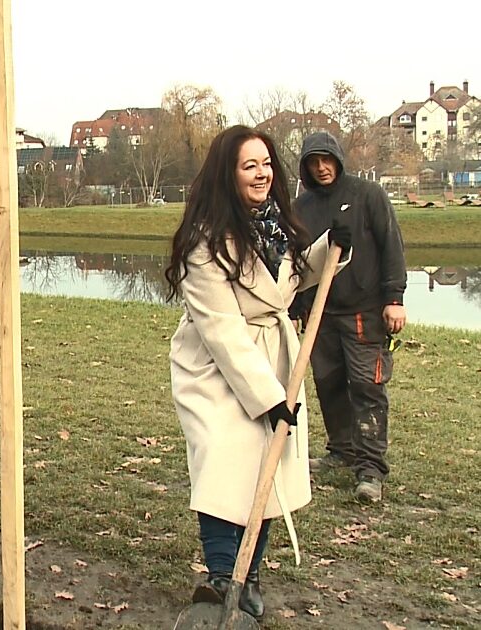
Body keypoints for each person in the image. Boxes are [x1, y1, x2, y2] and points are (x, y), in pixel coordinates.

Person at [165, 125, 351, 619]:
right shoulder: (204, 243)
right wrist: (268, 400)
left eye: (266, 163)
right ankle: (224, 575)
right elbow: (222, 329)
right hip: (216, 368)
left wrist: (333, 246)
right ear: (228, 174)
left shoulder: (275, 227)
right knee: (224, 462)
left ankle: (248, 575)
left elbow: (289, 282)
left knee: (271, 470)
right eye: (250, 165)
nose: (262, 173)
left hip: (274, 357)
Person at [292, 131, 406, 503]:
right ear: (306, 167)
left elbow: (391, 245)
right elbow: (297, 259)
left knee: (366, 388)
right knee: (329, 384)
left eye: (327, 160)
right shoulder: (302, 207)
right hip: (320, 313)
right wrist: (296, 303)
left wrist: (394, 298)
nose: (322, 168)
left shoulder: (367, 196)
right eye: (314, 162)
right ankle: (341, 451)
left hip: (363, 310)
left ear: (338, 160)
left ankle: (370, 468)